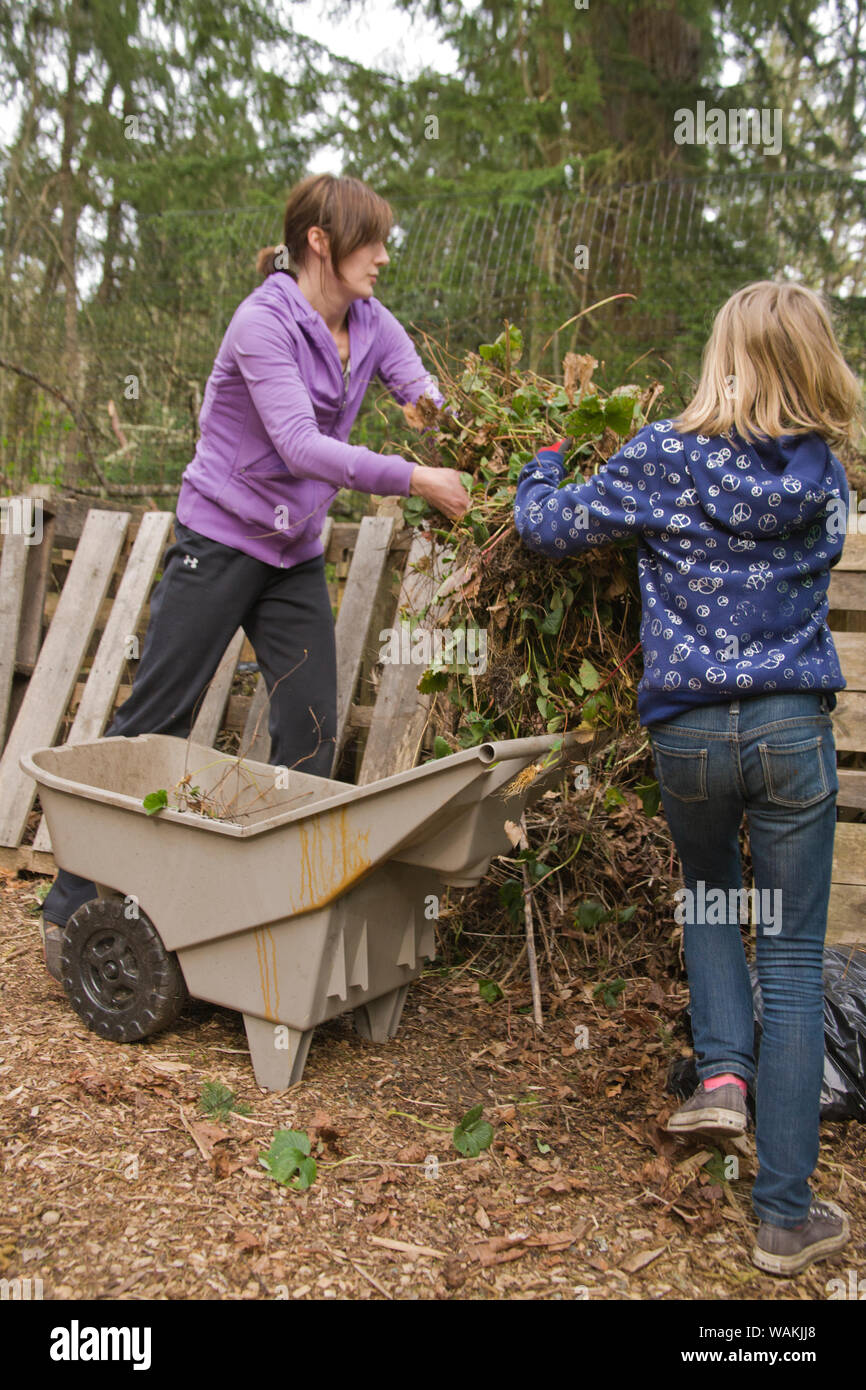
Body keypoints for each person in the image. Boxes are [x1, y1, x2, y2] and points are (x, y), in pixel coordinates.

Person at [513, 279, 862, 1277]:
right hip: (792, 732)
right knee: (792, 961)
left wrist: (541, 462)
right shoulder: (824, 474)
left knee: (710, 892)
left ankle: (718, 1076)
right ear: (810, 365)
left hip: (689, 736)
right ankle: (783, 1220)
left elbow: (549, 527)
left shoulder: (662, 453)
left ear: (724, 357)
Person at [40, 172, 470, 945]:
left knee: (308, 732)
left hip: (294, 553)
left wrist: (474, 437)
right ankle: (70, 905)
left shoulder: (371, 322)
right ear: (320, 243)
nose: (381, 257)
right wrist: (416, 480)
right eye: (368, 242)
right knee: (154, 724)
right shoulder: (261, 322)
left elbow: (424, 394)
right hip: (219, 539)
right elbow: (300, 446)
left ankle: (268, 918)